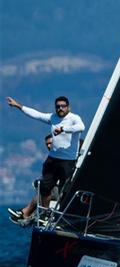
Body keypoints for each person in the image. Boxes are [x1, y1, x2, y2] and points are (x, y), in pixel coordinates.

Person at [8, 95, 85, 225]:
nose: (60, 108)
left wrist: (63, 129)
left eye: (63, 106)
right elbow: (36, 115)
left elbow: (81, 127)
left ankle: (63, 215)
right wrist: (19, 106)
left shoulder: (74, 118)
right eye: (58, 106)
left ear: (68, 107)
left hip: (67, 161)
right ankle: (44, 214)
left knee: (65, 189)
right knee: (44, 187)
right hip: (53, 159)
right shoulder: (52, 118)